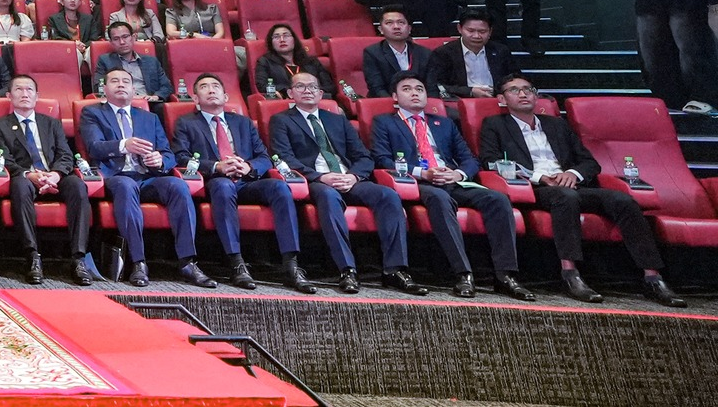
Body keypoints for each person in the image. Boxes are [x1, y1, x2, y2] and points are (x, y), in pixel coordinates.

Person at [478, 75, 684, 306]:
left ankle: (652, 277)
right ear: (502, 99)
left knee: (623, 200)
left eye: (528, 89)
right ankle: (570, 273)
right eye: (515, 90)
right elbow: (491, 161)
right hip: (534, 188)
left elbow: (589, 163)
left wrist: (572, 174)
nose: (523, 94)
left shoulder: (556, 125)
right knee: (566, 198)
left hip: (572, 185)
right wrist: (539, 177)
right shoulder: (495, 125)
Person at [368, 74, 531, 299]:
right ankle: (463, 273)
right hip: (418, 182)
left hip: (453, 180)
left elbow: (469, 159)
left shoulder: (443, 123)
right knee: (440, 199)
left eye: (419, 89)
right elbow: (382, 159)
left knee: (498, 199)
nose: (415, 93)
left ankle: (505, 275)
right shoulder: (384, 122)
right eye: (407, 89)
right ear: (395, 97)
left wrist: (457, 173)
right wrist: (423, 172)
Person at [267, 69, 424, 294]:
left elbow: (364, 157)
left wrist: (353, 176)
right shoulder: (281, 120)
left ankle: (395, 270)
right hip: (316, 181)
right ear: (291, 93)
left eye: (312, 87)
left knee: (388, 195)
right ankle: (347, 269)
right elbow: (284, 158)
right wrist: (321, 177)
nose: (307, 90)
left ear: (320, 93)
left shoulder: (337, 120)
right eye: (300, 86)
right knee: (329, 196)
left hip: (349, 178)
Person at [77, 66, 213, 288]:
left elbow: (168, 154)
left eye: (126, 81)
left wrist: (160, 161)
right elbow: (94, 147)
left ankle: (188, 262)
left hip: (147, 176)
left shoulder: (149, 118)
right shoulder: (92, 113)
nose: (121, 85)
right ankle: (138, 262)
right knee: (126, 186)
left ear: (134, 90)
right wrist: (124, 145)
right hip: (115, 176)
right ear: (104, 89)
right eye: (114, 81)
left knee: (178, 186)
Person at [171, 74, 309, 291]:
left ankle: (291, 264)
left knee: (279, 187)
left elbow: (264, 157)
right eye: (204, 87)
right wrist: (217, 166)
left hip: (247, 181)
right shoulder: (186, 123)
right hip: (215, 181)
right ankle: (236, 262)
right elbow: (180, 157)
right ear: (195, 99)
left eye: (216, 86)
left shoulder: (242, 122)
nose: (211, 90)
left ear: (226, 97)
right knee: (224, 186)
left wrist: (248, 167)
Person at [0, 73, 95, 285]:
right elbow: (3, 159)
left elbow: (65, 155)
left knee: (77, 185)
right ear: (9, 96)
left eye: (29, 90)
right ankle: (32, 256)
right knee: (20, 186)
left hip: (54, 174)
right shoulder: (0, 125)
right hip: (25, 176)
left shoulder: (51, 123)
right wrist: (30, 175)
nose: (25, 94)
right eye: (19, 89)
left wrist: (55, 175)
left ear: (37, 96)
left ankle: (78, 258)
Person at [428, 11, 521, 100]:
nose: (476, 36)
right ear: (459, 29)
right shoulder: (443, 53)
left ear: (490, 32)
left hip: (497, 99)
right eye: (470, 31)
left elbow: (515, 78)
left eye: (482, 31)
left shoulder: (500, 51)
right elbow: (435, 85)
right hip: (461, 101)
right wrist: (469, 91)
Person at [360, 6, 432, 98]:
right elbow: (377, 88)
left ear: (409, 29)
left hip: (419, 101)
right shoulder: (372, 53)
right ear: (381, 29)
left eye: (401, 22)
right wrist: (396, 103)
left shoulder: (424, 53)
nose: (396, 27)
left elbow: (431, 87)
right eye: (389, 23)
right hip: (387, 101)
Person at [93, 21, 173, 101]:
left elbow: (166, 86)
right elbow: (99, 86)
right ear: (111, 42)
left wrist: (156, 96)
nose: (122, 42)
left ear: (134, 37)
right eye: (116, 39)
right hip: (120, 103)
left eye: (125, 37)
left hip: (149, 102)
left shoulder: (151, 61)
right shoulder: (105, 61)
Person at [252, 23, 335, 100]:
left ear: (294, 40)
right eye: (276, 37)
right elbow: (262, 86)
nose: (282, 40)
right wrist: (290, 92)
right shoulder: (265, 62)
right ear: (271, 43)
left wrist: (311, 92)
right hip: (287, 101)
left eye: (286, 36)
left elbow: (329, 87)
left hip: (316, 101)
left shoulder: (312, 62)